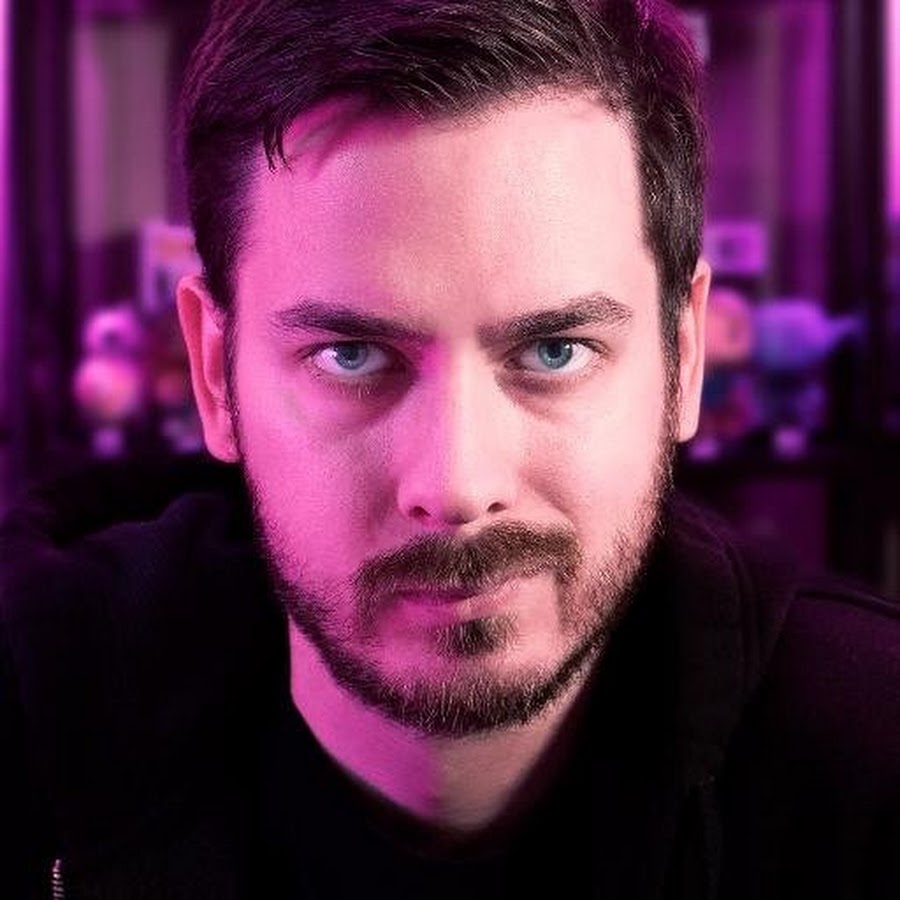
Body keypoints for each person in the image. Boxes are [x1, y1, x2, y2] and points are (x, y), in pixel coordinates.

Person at [2, 0, 898, 896]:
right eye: (351, 356)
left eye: (556, 352)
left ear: (686, 356)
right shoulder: (33, 713)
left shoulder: (872, 761)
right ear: (212, 374)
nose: (457, 483)